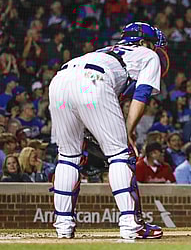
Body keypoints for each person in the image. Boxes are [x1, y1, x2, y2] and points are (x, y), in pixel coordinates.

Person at [48, 22, 166, 239]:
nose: (155, 49)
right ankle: (131, 224)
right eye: (152, 44)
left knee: (67, 157)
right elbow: (141, 96)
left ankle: (63, 226)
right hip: (93, 81)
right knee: (120, 155)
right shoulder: (148, 55)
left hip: (60, 80)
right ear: (142, 42)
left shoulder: (104, 51)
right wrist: (128, 132)